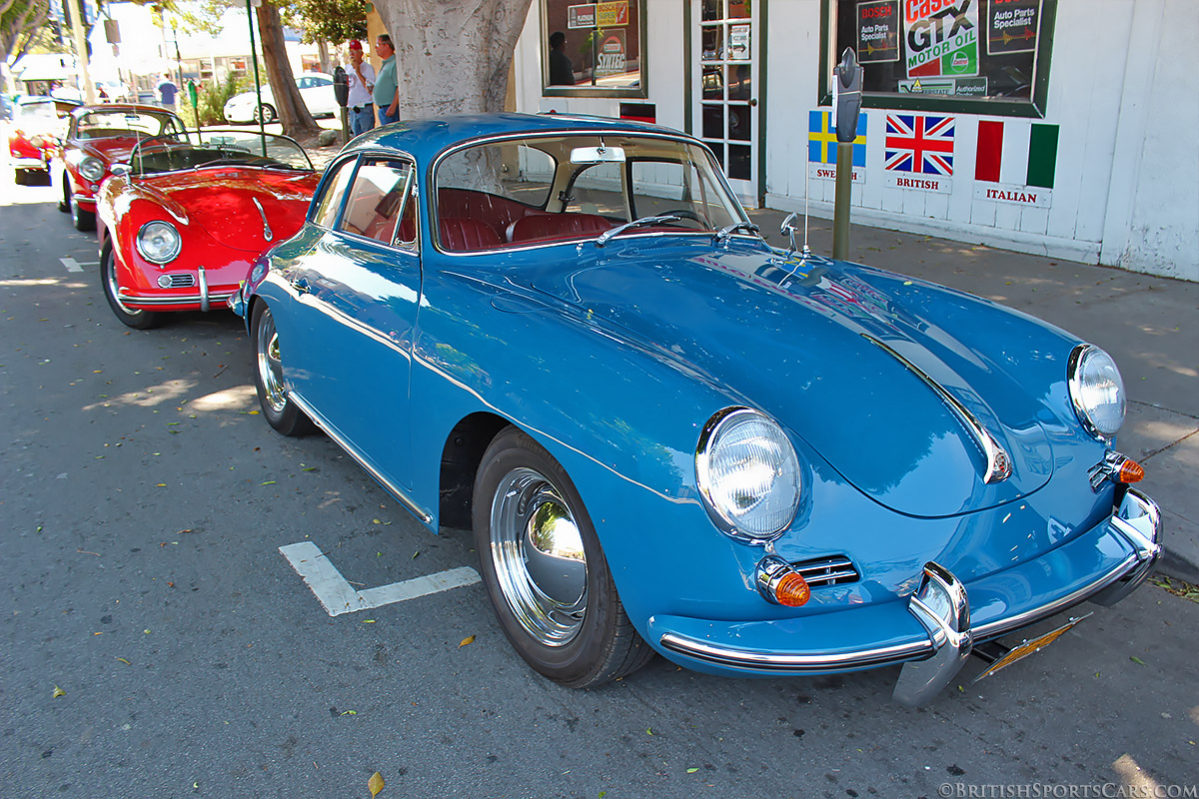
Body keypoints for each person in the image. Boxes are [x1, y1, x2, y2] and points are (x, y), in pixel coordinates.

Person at [345, 39, 376, 136]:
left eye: (355, 50)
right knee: (356, 137)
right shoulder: (347, 68)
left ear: (361, 53)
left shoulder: (367, 68)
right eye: (350, 50)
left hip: (364, 109)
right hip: (352, 109)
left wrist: (358, 72)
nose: (352, 53)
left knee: (367, 137)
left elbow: (370, 89)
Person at [373, 34, 399, 126]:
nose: (376, 48)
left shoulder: (394, 63)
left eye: (378, 45)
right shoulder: (386, 63)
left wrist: (393, 106)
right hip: (383, 109)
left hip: (390, 109)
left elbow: (399, 87)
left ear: (386, 46)